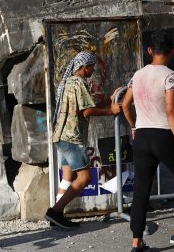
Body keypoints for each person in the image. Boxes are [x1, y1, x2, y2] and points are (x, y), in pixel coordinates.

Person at [121, 30, 174, 252]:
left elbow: (125, 105)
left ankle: (137, 242)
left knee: (141, 188)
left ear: (149, 51)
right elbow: (171, 109)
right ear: (173, 51)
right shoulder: (171, 75)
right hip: (163, 135)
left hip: (142, 135)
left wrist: (133, 126)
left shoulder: (137, 74)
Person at [45, 51, 121, 229]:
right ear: (84, 67)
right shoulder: (79, 83)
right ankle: (55, 212)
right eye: (92, 67)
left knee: (69, 176)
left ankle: (57, 216)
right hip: (72, 138)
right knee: (85, 177)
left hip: (62, 136)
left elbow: (88, 106)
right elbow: (86, 112)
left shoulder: (70, 82)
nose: (93, 70)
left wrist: (109, 101)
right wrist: (111, 111)